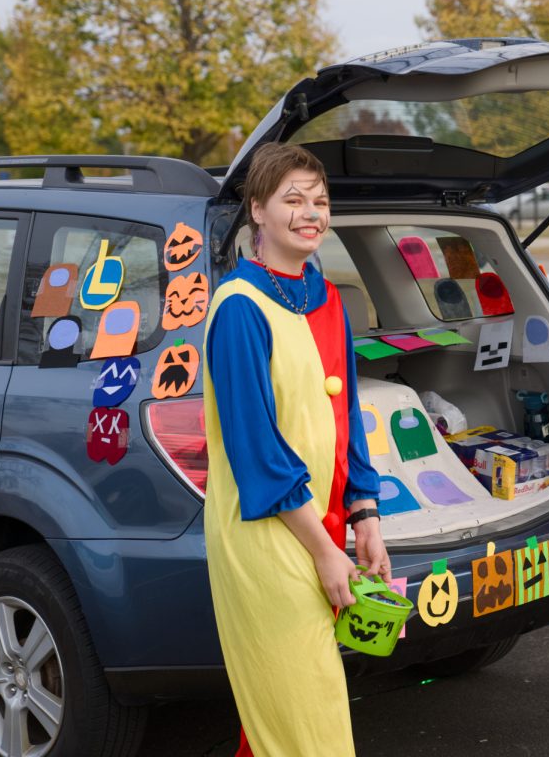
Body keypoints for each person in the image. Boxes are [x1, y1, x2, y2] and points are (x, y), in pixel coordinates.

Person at [202, 142, 390, 757]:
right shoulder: (238, 309)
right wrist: (325, 552)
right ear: (257, 210)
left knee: (282, 715)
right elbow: (259, 455)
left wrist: (365, 515)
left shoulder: (326, 296)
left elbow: (345, 419)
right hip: (265, 534)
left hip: (324, 522)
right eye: (293, 200)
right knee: (305, 714)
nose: (311, 213)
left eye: (320, 200)